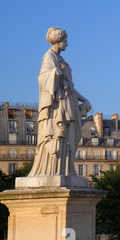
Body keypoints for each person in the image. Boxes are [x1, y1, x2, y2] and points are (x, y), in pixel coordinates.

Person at [28, 27, 91, 177]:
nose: (67, 44)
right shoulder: (49, 56)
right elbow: (42, 78)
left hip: (67, 102)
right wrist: (55, 73)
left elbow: (70, 86)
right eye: (65, 41)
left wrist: (84, 99)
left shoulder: (60, 59)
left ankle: (65, 169)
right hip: (57, 105)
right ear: (58, 41)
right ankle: (52, 170)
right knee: (58, 135)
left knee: (69, 136)